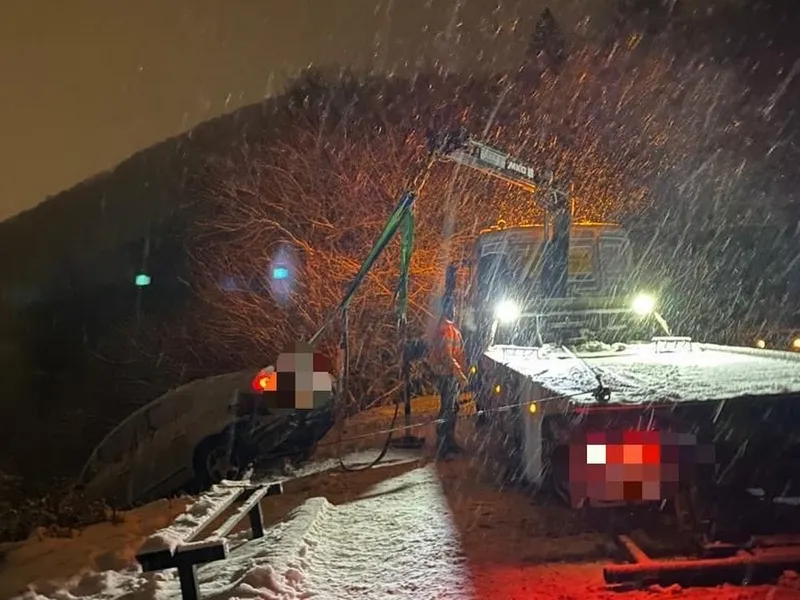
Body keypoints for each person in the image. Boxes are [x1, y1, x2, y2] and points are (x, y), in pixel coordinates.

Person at [428, 302, 469, 458]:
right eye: (454, 308)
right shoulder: (447, 330)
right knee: (448, 409)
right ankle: (444, 445)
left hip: (448, 374)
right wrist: (459, 375)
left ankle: (448, 442)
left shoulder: (448, 328)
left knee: (451, 408)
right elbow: (447, 356)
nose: (457, 311)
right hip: (448, 375)